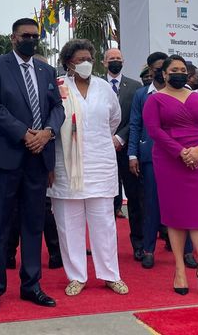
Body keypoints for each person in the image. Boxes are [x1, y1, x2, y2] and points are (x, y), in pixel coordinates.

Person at [0, 18, 64, 316]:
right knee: (0, 226)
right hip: (4, 158)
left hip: (37, 159)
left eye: (34, 36)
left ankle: (31, 285)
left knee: (33, 224)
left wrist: (47, 132)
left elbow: (57, 107)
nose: (31, 40)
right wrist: (25, 133)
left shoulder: (46, 70)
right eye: (25, 35)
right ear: (13, 38)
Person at [49, 40, 127, 297]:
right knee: (68, 225)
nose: (85, 64)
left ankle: (109, 274)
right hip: (66, 167)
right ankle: (77, 276)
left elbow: (114, 119)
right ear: (68, 62)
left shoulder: (104, 88)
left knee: (104, 224)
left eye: (89, 59)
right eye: (80, 59)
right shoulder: (59, 87)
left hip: (100, 163)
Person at [143, 55, 198, 297]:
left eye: (183, 69)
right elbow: (154, 130)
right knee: (175, 216)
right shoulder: (154, 100)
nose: (178, 72)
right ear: (164, 74)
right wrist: (180, 152)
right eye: (173, 69)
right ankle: (179, 270)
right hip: (169, 161)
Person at [129, 52, 194, 269]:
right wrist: (133, 154)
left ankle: (187, 252)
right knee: (151, 206)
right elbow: (136, 125)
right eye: (159, 69)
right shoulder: (142, 95)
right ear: (156, 72)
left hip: (182, 156)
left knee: (184, 205)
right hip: (152, 158)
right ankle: (148, 250)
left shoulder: (189, 95)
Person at [104, 48, 144, 260]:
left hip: (127, 150)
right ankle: (104, 247)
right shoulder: (96, 84)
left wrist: (119, 138)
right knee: (104, 201)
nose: (115, 62)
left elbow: (136, 119)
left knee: (135, 199)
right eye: (111, 59)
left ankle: (139, 243)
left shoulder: (135, 87)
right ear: (104, 62)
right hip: (101, 151)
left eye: (118, 58)